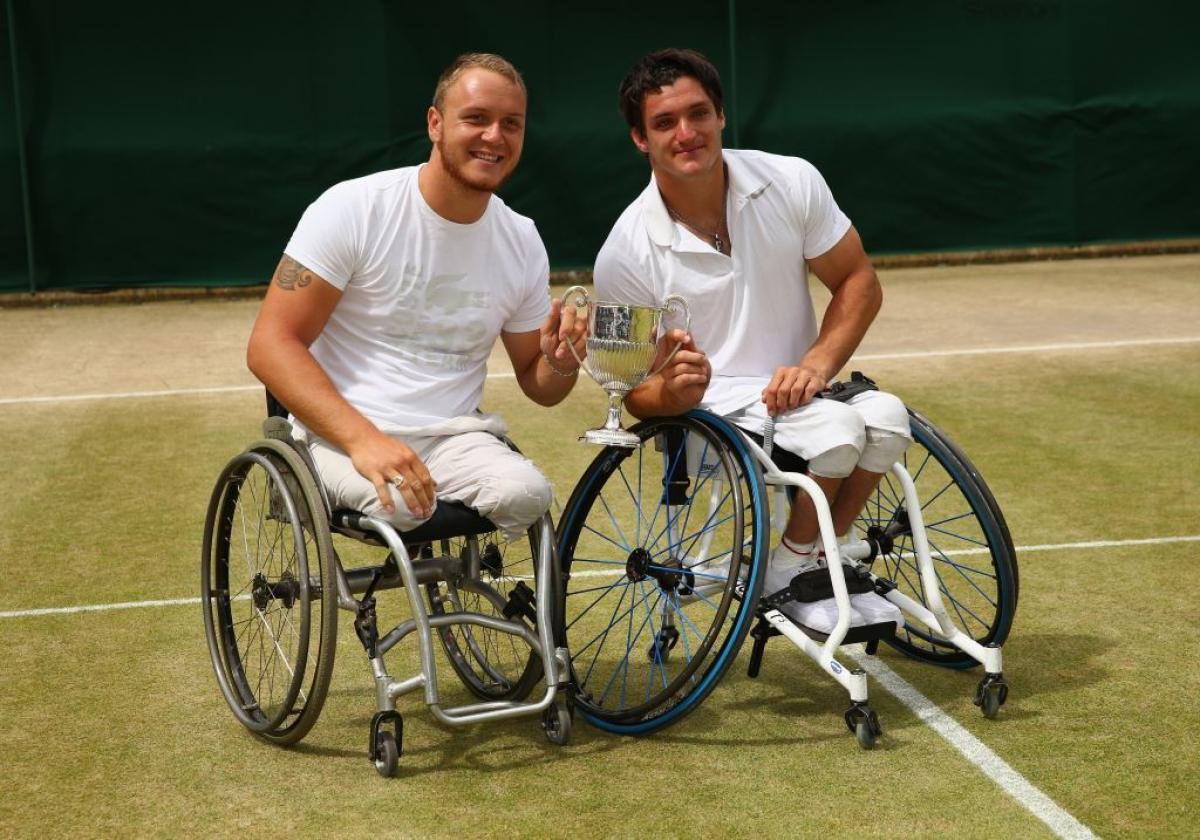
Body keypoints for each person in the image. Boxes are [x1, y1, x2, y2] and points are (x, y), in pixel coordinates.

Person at [593, 48, 910, 631]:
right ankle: (795, 573)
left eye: (698, 114)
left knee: (889, 418)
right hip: (712, 415)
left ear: (720, 116)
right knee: (840, 433)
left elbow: (859, 280)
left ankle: (809, 559)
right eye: (665, 123)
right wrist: (674, 393)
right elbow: (628, 394)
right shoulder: (622, 253)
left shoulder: (791, 179)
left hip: (804, 390)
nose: (686, 133)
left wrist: (815, 363)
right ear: (641, 139)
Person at [247, 52, 585, 540]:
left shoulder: (522, 238)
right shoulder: (352, 208)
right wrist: (364, 441)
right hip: (339, 438)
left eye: (511, 123)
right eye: (476, 119)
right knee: (405, 505)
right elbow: (270, 345)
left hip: (455, 440)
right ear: (435, 123)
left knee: (528, 495)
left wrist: (562, 359)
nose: (495, 137)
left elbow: (540, 383)